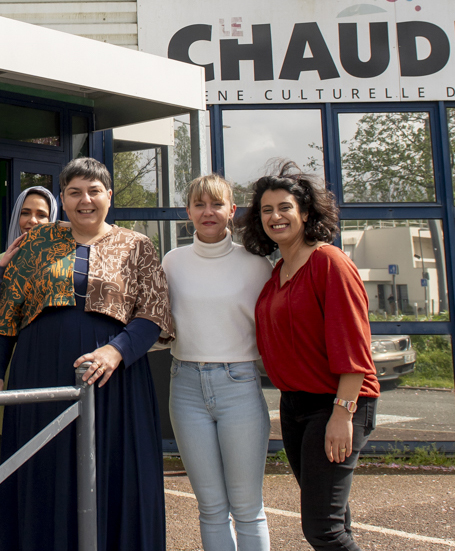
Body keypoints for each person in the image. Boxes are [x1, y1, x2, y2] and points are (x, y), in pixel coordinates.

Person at [0, 157, 175, 551]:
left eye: (94, 191)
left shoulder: (137, 245)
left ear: (109, 196)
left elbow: (154, 314)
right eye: (74, 192)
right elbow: (8, 313)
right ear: (63, 200)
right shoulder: (37, 242)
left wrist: (115, 351)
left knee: (116, 471)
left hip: (116, 380)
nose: (85, 200)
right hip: (40, 372)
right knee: (42, 467)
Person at [241, 161, 379, 551]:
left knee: (323, 529)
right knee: (335, 520)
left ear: (304, 212)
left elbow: (354, 345)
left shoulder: (329, 262)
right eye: (266, 210)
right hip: (296, 404)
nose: (275, 216)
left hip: (335, 403)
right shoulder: (279, 270)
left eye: (284, 207)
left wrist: (342, 412)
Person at [162, 175, 273, 551]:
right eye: (199, 204)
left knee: (247, 507)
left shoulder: (257, 265)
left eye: (216, 204)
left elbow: (274, 329)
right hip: (185, 386)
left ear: (232, 211)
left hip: (239, 384)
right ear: (188, 210)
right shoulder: (172, 262)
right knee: (210, 507)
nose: (208, 212)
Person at [0, 185, 57, 529]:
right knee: (5, 475)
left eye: (42, 214)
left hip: (50, 383)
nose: (33, 221)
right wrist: (2, 272)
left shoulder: (63, 261)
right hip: (6, 384)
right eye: (26, 213)